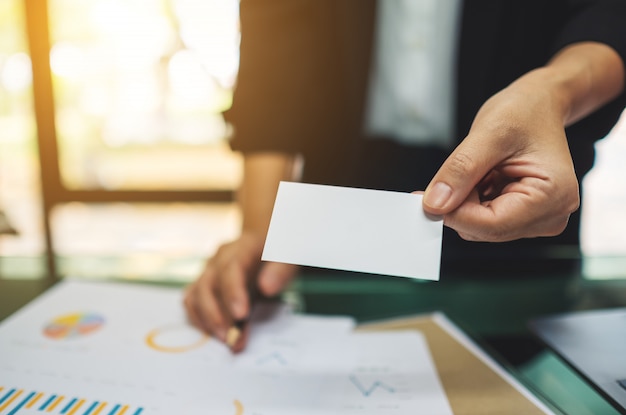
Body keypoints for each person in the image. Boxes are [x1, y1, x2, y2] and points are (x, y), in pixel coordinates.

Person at [185, 0, 626, 351]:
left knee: (514, 366)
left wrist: (551, 92)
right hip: (342, 202)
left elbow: (606, 13)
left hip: (509, 183)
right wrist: (264, 229)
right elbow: (278, 42)